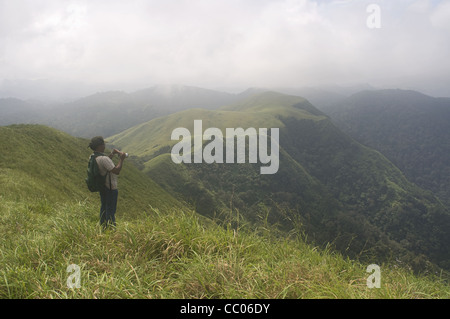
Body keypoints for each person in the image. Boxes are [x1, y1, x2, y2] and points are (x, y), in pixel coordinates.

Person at [88, 136, 127, 229]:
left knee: (104, 208)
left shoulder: (93, 156)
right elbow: (116, 171)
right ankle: (110, 229)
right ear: (100, 146)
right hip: (110, 188)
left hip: (102, 187)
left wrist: (112, 154)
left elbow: (105, 162)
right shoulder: (103, 159)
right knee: (110, 210)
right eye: (103, 144)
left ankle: (103, 226)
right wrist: (121, 159)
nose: (104, 146)